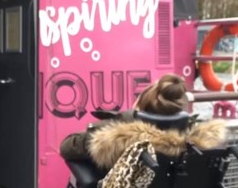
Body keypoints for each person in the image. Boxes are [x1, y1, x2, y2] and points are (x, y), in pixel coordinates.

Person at [59, 73, 227, 170]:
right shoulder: (197, 143)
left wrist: (117, 120)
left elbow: (66, 147)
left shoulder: (116, 135)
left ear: (142, 104)